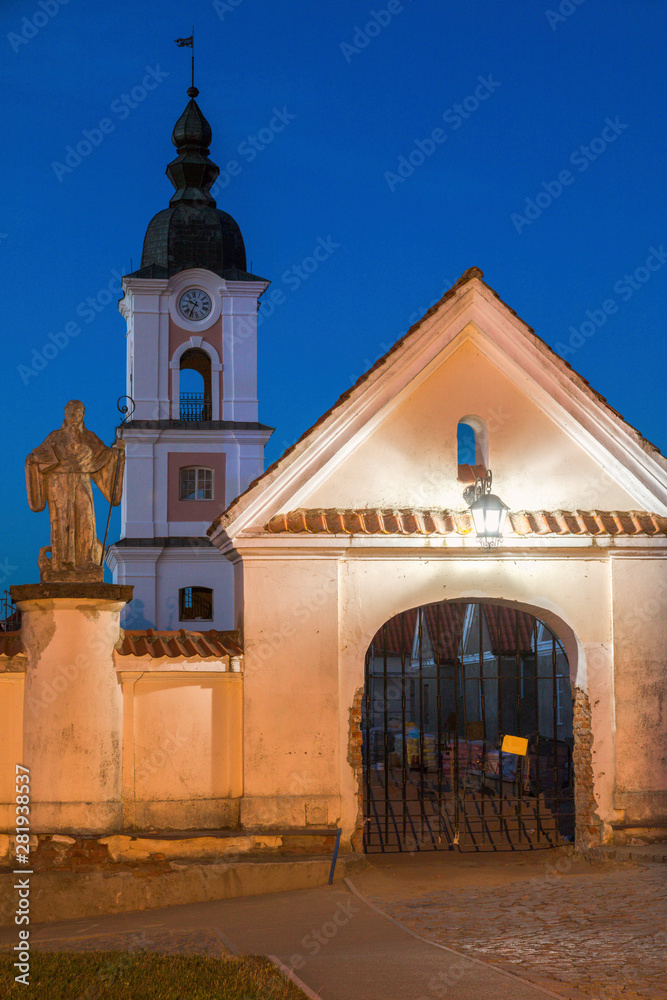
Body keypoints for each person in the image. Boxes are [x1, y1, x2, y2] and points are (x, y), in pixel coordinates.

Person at [25, 400, 126, 582]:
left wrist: (117, 452)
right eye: (71, 414)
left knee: (86, 520)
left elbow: (105, 457)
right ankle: (61, 565)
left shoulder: (90, 438)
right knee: (62, 522)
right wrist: (32, 460)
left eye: (78, 414)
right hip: (59, 486)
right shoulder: (54, 437)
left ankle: (87, 562)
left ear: (83, 415)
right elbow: (38, 457)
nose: (74, 418)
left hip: (82, 484)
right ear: (65, 413)